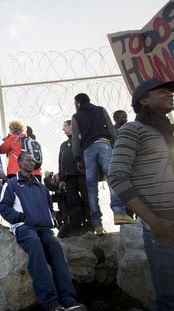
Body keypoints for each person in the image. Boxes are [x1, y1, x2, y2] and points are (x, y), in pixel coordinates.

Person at [108, 79, 174, 311]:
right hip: (162, 226)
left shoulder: (167, 131)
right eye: (162, 89)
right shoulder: (132, 129)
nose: (170, 92)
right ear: (144, 100)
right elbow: (116, 176)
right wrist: (153, 221)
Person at [0, 152, 86, 311]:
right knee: (35, 246)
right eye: (28, 160)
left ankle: (69, 299)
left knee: (56, 248)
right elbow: (4, 208)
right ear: (19, 162)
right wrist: (21, 218)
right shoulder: (11, 184)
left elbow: (49, 208)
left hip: (44, 228)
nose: (32, 163)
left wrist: (51, 220)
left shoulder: (41, 187)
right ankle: (51, 302)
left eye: (33, 161)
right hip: (24, 227)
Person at [71, 93, 134, 235]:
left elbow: (76, 138)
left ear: (78, 103)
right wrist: (115, 144)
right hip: (104, 144)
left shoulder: (76, 117)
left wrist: (77, 158)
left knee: (91, 187)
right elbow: (111, 129)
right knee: (113, 178)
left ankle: (97, 224)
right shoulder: (100, 110)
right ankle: (118, 212)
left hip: (87, 150)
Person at [58, 120, 91, 237]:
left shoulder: (82, 141)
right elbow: (60, 163)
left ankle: (90, 224)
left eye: (65, 126)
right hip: (69, 178)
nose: (63, 129)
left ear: (72, 126)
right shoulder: (63, 145)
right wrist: (61, 179)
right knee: (73, 201)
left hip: (82, 175)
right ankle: (77, 225)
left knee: (87, 199)